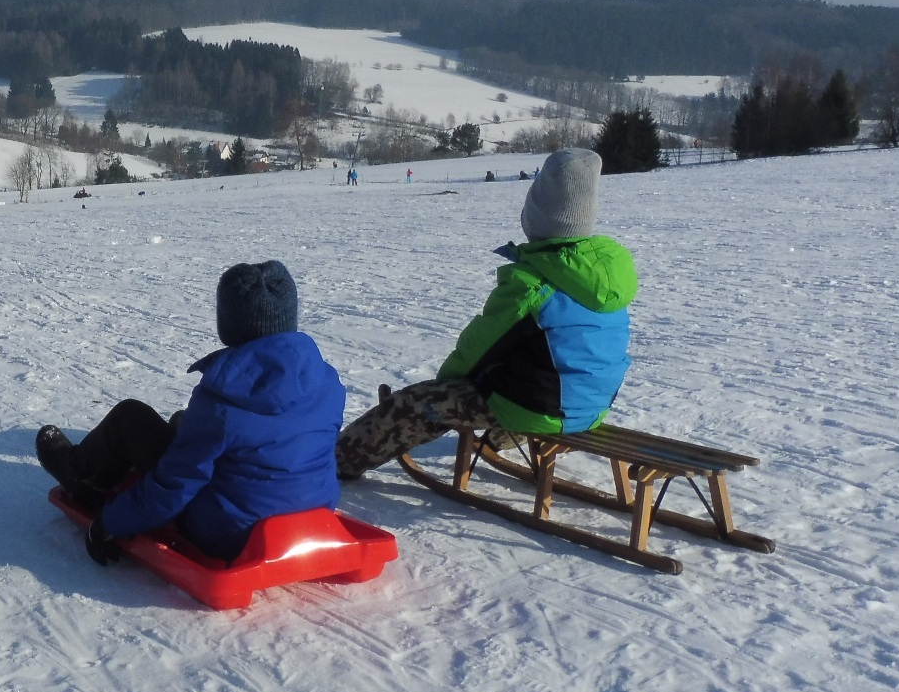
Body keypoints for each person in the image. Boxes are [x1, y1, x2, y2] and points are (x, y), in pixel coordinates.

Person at [334, 148, 637, 479]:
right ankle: (505, 433)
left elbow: (479, 347)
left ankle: (340, 459)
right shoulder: (608, 274)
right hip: (591, 408)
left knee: (417, 404)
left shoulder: (532, 284)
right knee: (540, 364)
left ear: (536, 219)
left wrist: (443, 385)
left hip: (538, 408)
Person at [35, 261, 345, 566]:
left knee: (131, 417)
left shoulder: (222, 399)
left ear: (229, 323)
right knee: (192, 427)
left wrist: (109, 523)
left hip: (227, 531)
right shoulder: (328, 380)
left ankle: (79, 475)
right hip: (315, 508)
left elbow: (174, 486)